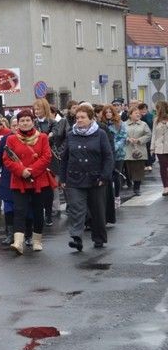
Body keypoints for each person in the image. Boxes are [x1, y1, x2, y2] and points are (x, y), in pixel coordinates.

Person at [59, 103, 113, 251]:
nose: (79, 120)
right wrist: (62, 179)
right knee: (77, 209)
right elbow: (64, 158)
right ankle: (76, 237)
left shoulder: (100, 134)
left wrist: (105, 176)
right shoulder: (71, 135)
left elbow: (108, 156)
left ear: (91, 118)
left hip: (96, 179)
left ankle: (99, 238)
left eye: (83, 117)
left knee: (97, 210)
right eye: (77, 117)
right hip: (75, 178)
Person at [2, 110, 53, 254]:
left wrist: (31, 170)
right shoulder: (11, 139)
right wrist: (21, 171)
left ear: (33, 121)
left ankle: (37, 240)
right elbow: (7, 159)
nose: (25, 123)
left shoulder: (42, 137)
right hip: (19, 180)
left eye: (27, 120)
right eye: (22, 121)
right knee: (19, 211)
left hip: (38, 179)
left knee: (38, 210)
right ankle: (18, 242)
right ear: (18, 123)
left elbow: (46, 157)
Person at [33, 98, 57, 226]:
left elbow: (56, 135)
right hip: (36, 157)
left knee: (48, 188)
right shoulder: (33, 122)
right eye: (35, 109)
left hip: (50, 157)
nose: (37, 111)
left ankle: (48, 213)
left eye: (39, 109)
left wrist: (49, 136)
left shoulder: (52, 122)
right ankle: (39, 212)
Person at [100, 104, 127, 207]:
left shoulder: (119, 123)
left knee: (116, 175)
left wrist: (113, 148)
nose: (108, 114)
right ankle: (108, 197)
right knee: (107, 176)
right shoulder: (101, 124)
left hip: (118, 154)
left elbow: (123, 137)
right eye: (106, 112)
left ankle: (117, 196)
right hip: (105, 154)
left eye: (110, 112)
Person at [124, 105, 152, 196]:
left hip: (140, 150)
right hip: (128, 150)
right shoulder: (124, 124)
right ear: (130, 114)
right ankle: (131, 182)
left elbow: (148, 135)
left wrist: (139, 140)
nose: (138, 114)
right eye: (136, 113)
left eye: (138, 113)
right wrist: (128, 139)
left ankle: (137, 188)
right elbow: (121, 135)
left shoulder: (143, 124)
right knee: (130, 170)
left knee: (139, 169)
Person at [152, 101, 168, 196]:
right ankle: (165, 187)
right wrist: (152, 148)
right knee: (163, 167)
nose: (155, 110)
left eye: (157, 108)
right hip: (160, 147)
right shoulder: (156, 120)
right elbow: (154, 133)